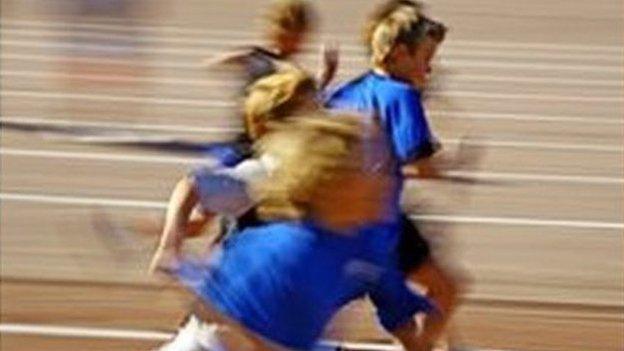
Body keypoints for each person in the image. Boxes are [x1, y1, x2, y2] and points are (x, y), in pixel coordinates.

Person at [149, 115, 437, 351]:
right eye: (374, 170)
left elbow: (399, 313)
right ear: (333, 187)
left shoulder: (371, 243)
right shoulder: (283, 252)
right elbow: (228, 329)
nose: (390, 180)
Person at [324, 1, 461, 349]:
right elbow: (422, 165)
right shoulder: (402, 96)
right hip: (377, 229)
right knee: (443, 290)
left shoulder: (346, 92)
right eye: (425, 58)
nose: (429, 70)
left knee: (329, 309)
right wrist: (451, 164)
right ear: (400, 53)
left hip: (335, 221)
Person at [203, 0, 337, 95]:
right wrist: (325, 76)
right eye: (296, 37)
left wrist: (325, 76)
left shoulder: (260, 58)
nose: (300, 44)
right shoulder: (264, 61)